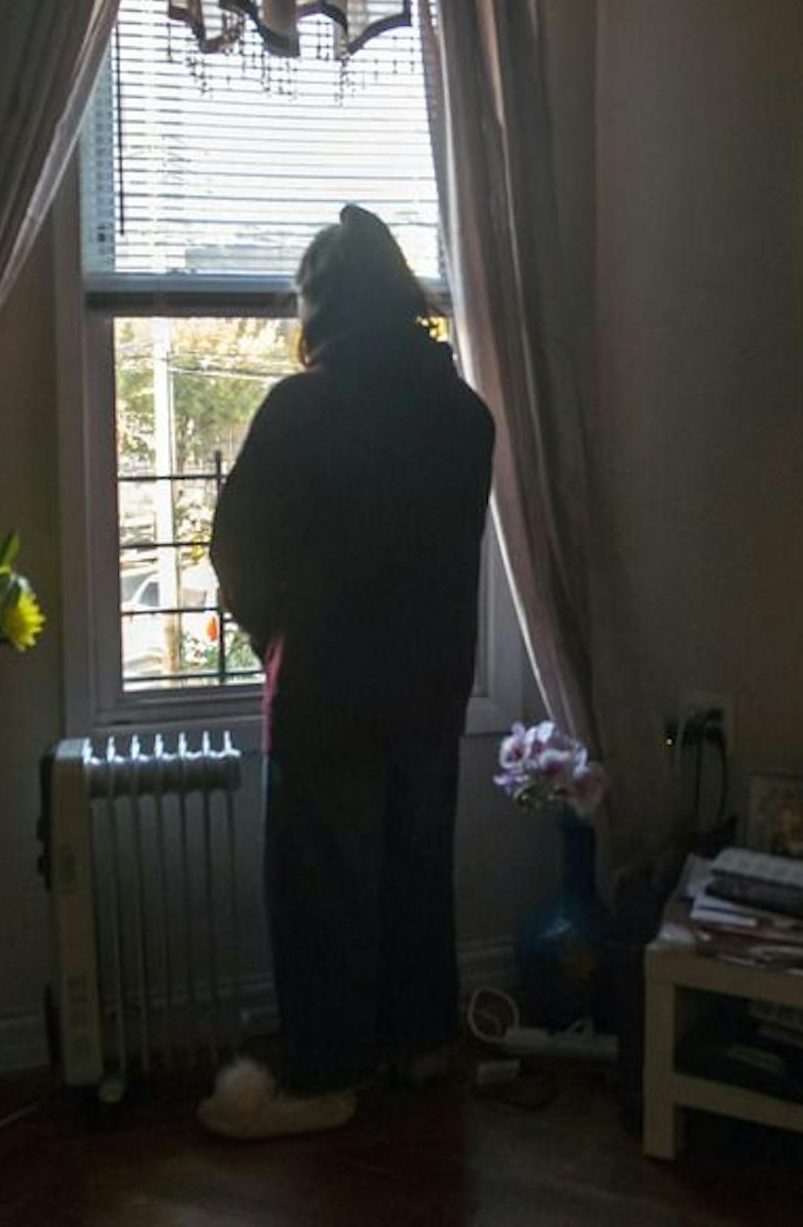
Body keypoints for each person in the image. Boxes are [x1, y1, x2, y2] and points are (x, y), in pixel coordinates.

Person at [201, 205, 495, 1141]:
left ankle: (329, 1072)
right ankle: (420, 1043)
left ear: (321, 302)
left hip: (329, 686)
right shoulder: (465, 415)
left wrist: (274, 631)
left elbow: (238, 545)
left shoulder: (303, 408)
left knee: (323, 891)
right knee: (418, 875)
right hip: (433, 683)